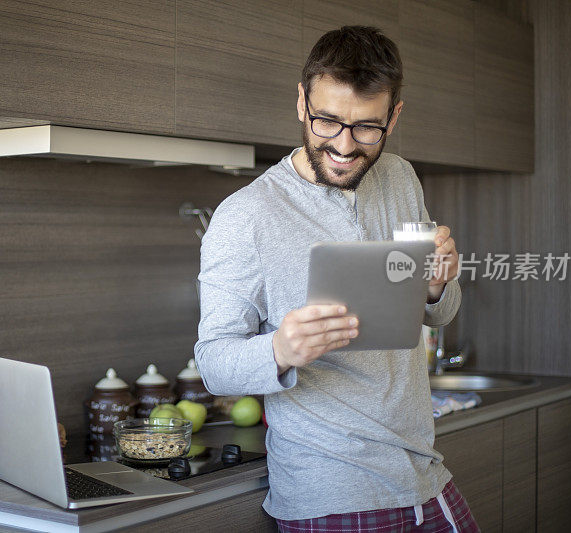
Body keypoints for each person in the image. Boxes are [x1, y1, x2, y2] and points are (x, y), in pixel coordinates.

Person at [194, 26, 479, 532]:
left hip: (424, 474)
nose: (344, 146)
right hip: (333, 491)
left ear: (394, 116)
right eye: (327, 121)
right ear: (301, 103)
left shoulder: (400, 177)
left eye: (367, 127)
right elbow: (214, 362)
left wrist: (437, 284)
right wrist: (280, 349)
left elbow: (439, 312)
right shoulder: (246, 215)